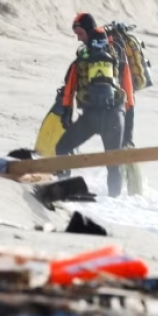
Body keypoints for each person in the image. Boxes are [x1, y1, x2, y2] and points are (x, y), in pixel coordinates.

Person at [56, 13, 135, 198]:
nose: (78, 38)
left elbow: (69, 90)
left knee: (62, 148)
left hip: (90, 118)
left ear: (89, 31)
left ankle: (63, 191)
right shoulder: (116, 55)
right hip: (115, 117)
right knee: (113, 164)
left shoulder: (82, 57)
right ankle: (115, 204)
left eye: (80, 33)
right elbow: (129, 97)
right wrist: (128, 131)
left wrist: (66, 115)